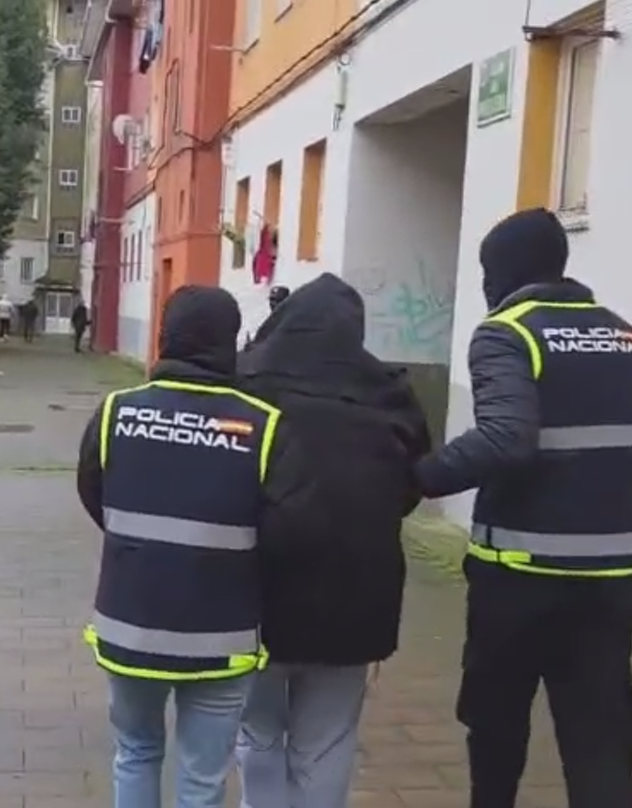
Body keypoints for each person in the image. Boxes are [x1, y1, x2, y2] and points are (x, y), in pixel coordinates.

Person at [412, 208, 632, 808]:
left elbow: (506, 437)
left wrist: (418, 478)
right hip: (609, 581)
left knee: (496, 723)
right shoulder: (630, 339)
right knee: (600, 738)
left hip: (518, 578)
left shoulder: (507, 332)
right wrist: (618, 533)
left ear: (502, 272)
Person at [76, 285, 285, 808]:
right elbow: (282, 526)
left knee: (136, 752)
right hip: (220, 635)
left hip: (130, 622)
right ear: (229, 342)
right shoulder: (263, 425)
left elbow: (94, 494)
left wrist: (138, 544)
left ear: (165, 337)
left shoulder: (116, 412)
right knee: (202, 778)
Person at [234, 273, 431, 808]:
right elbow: (410, 485)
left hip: (258, 590)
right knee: (327, 740)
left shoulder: (245, 383)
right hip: (357, 594)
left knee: (258, 731)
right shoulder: (390, 394)